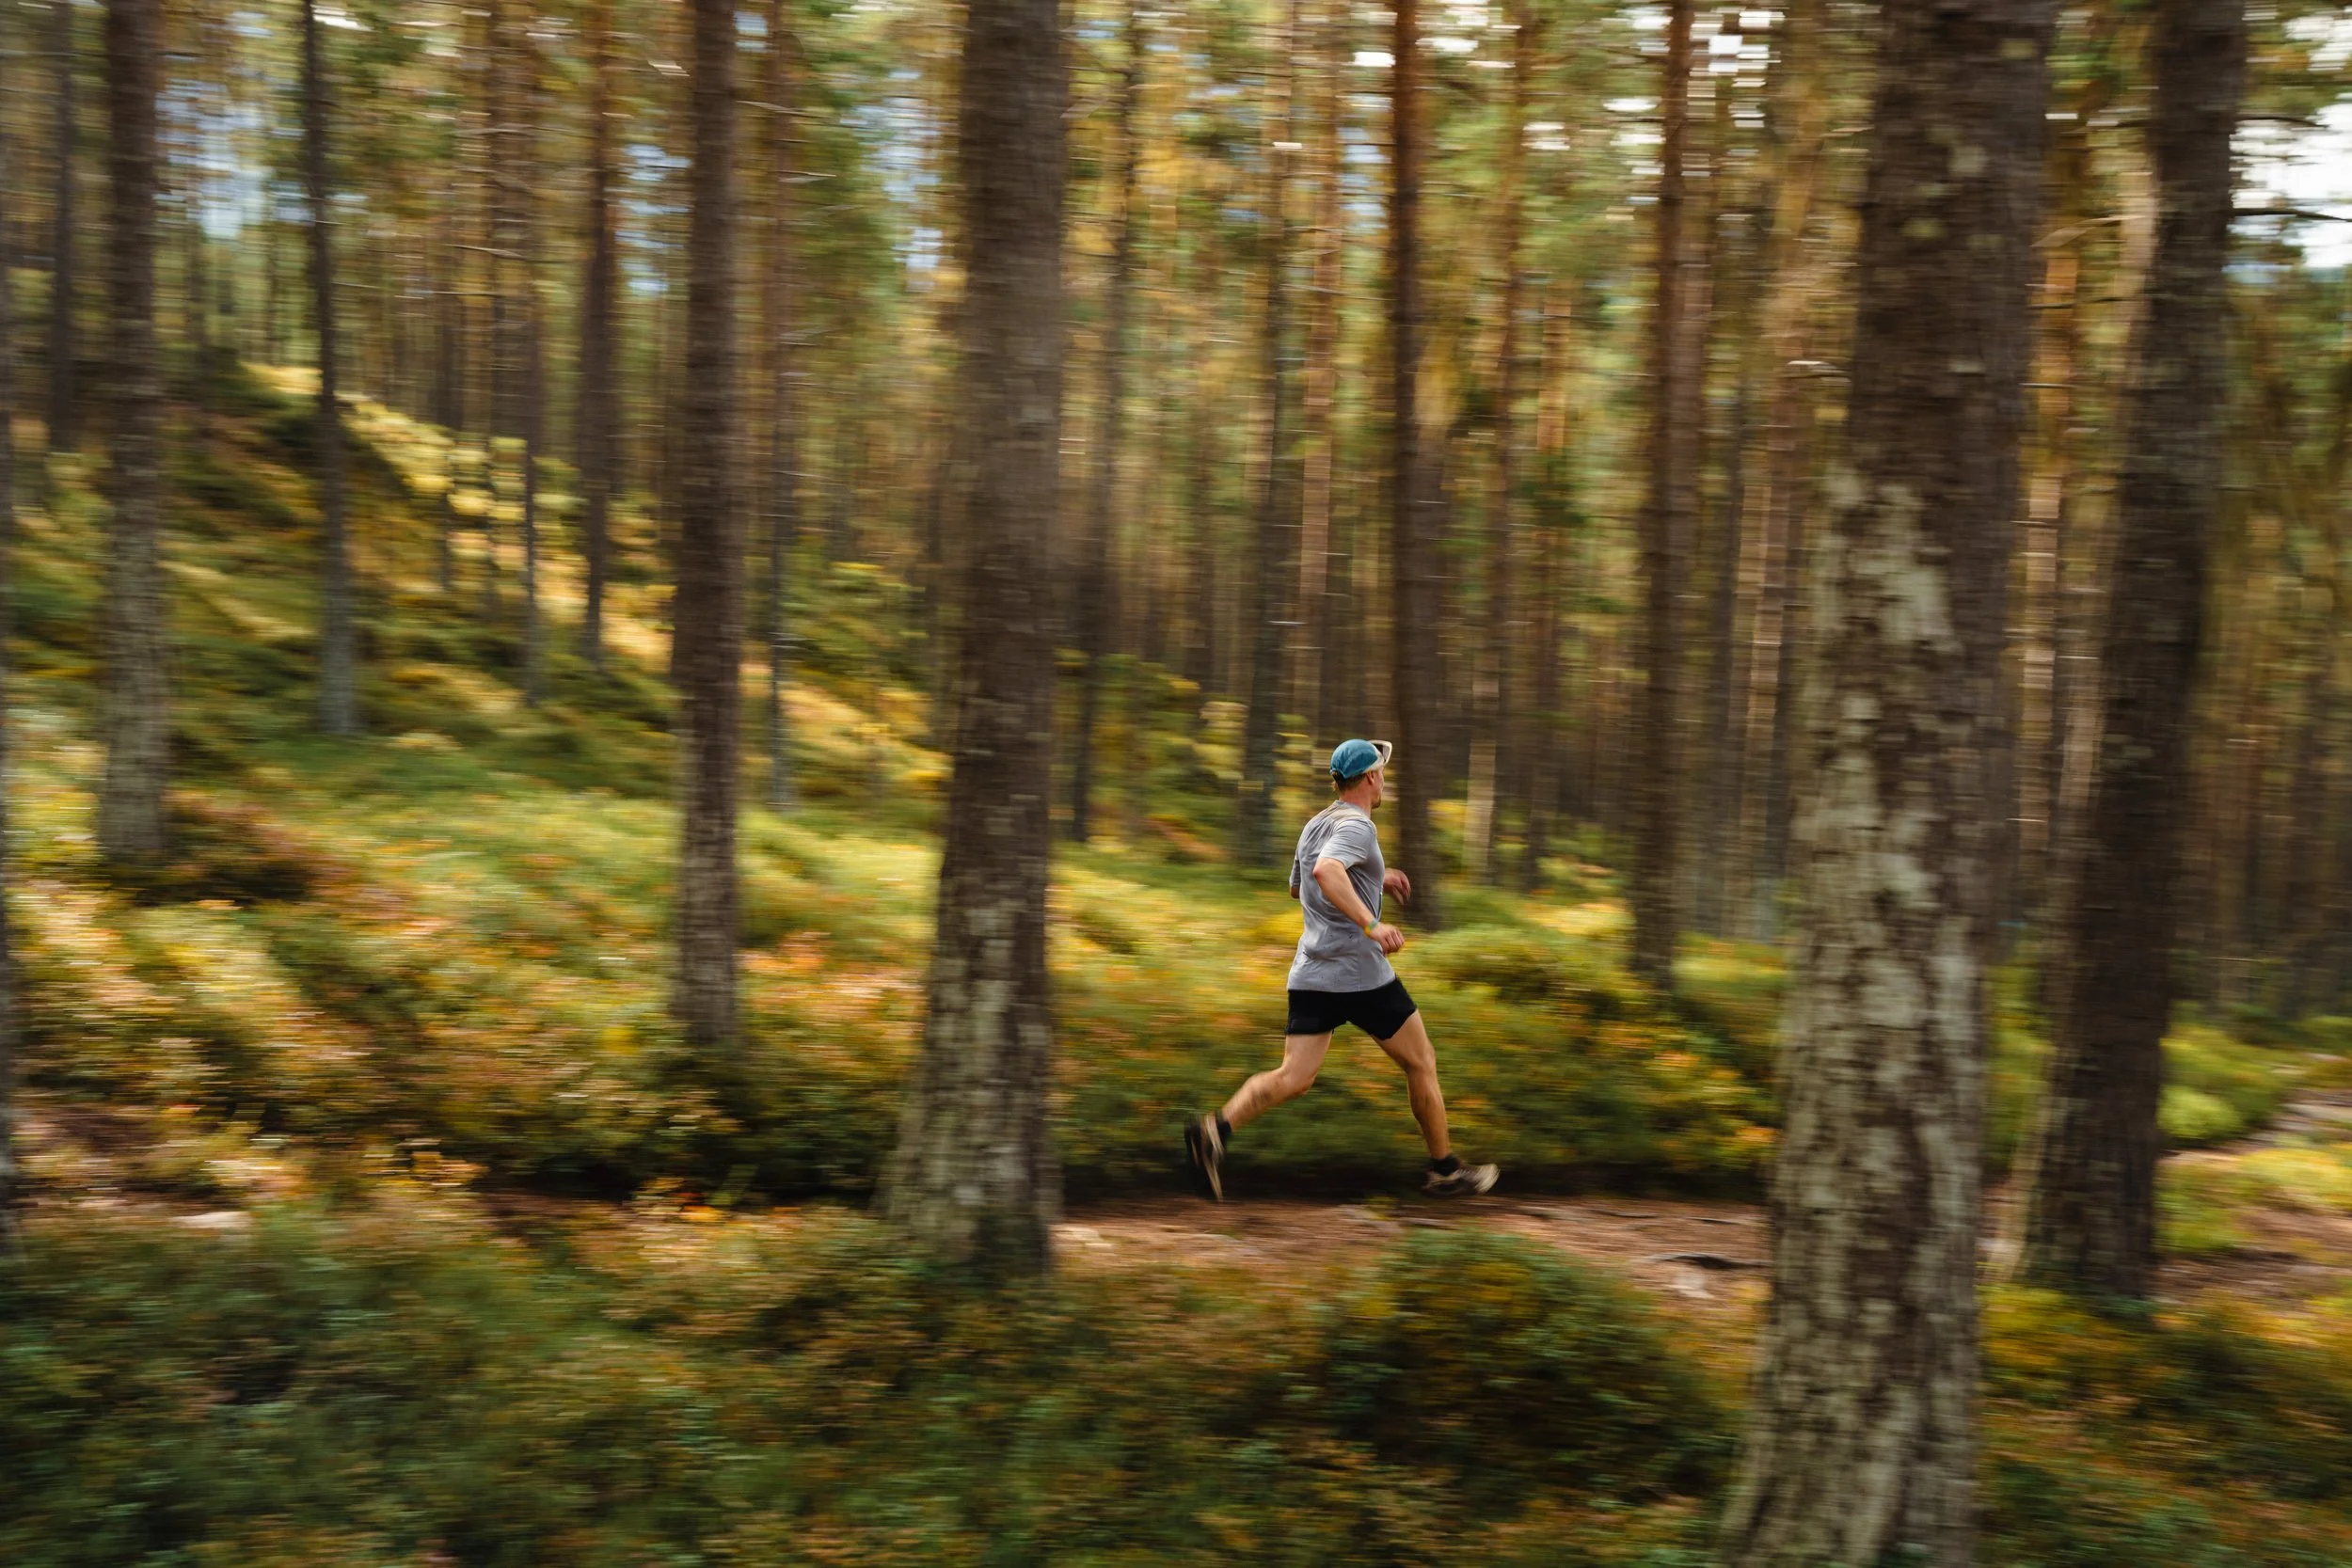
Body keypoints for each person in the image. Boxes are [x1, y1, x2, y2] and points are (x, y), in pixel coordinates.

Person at [1186, 738, 1499, 1201]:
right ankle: (1445, 1170)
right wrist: (1372, 923)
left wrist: (1375, 876)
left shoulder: (1316, 823)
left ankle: (1214, 1131)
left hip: (1312, 972)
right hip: (1361, 976)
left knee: (1294, 1077)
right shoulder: (1358, 827)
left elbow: (1300, 889)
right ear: (1371, 778)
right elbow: (1326, 873)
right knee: (1421, 1060)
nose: (1385, 779)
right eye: (1382, 772)